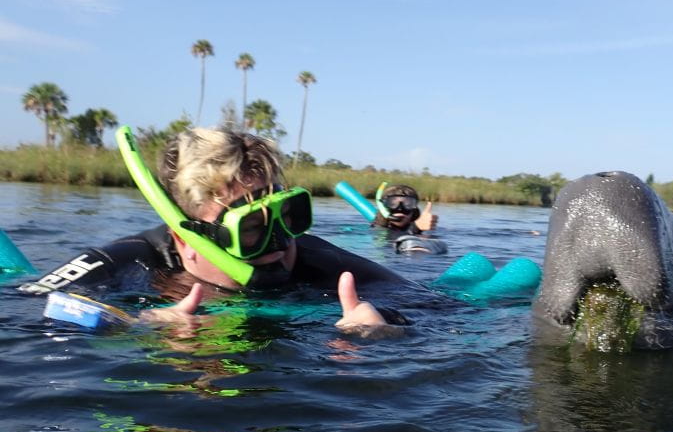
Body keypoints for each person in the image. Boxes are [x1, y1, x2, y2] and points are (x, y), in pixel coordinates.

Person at [22, 127, 406, 333]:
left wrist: (386, 329)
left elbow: (444, 312)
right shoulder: (127, 263)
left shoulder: (319, 260)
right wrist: (130, 330)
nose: (280, 244)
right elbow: (27, 318)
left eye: (286, 215)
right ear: (186, 241)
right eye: (252, 228)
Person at [372, 184, 438, 235]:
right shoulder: (377, 229)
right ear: (383, 207)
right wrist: (416, 227)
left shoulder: (425, 229)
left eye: (408, 204)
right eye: (393, 204)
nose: (400, 209)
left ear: (414, 209)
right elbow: (390, 238)